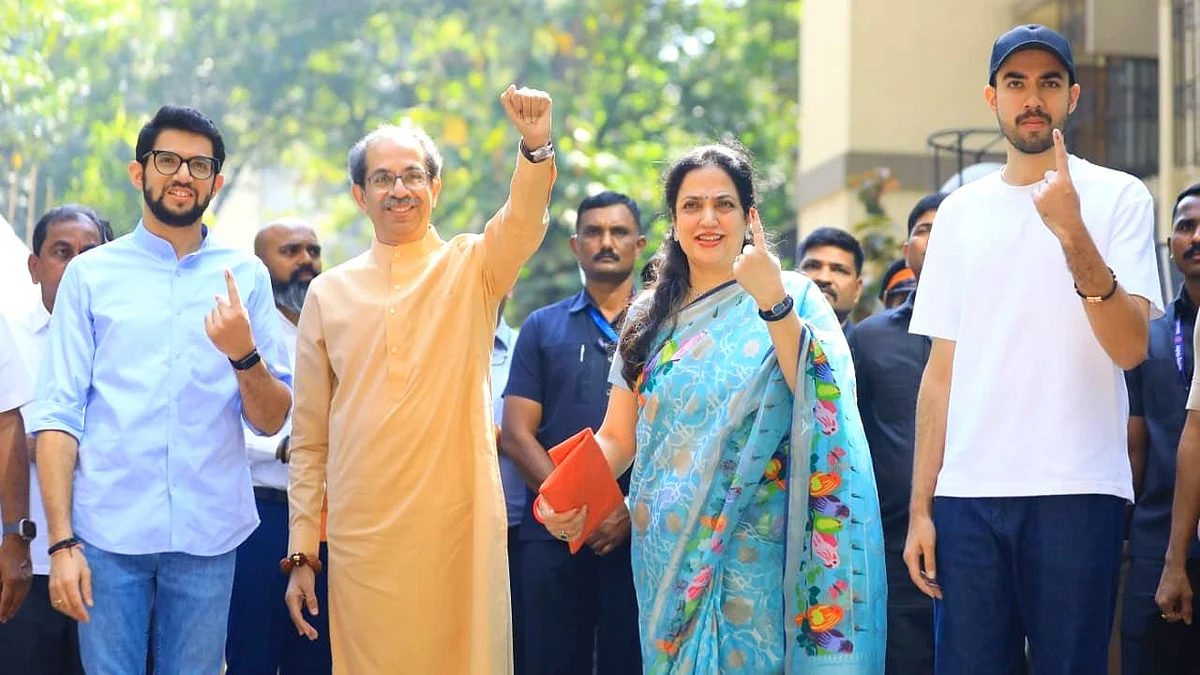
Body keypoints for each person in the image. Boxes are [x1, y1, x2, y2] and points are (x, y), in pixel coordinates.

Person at [537, 142, 886, 673]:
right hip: (665, 554)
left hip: (758, 548)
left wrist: (773, 303)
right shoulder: (646, 318)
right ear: (673, 221)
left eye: (724, 205)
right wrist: (568, 494)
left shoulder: (794, 296)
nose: (708, 219)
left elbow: (823, 396)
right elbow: (618, 437)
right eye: (691, 205)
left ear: (749, 217)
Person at [904, 24, 1162, 675]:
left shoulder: (1120, 197)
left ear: (1073, 95)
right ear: (992, 95)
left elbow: (1130, 349)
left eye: (1048, 82)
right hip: (968, 498)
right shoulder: (959, 212)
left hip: (1080, 490)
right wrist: (920, 509)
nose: (1032, 97)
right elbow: (940, 374)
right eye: (1016, 82)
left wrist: (1074, 233)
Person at [284, 85, 556, 673]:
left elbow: (523, 224)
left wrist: (535, 149)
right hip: (365, 537)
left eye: (412, 175)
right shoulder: (329, 294)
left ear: (435, 188)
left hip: (458, 530)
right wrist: (303, 550)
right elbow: (308, 438)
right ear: (360, 195)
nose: (399, 189)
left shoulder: (473, 266)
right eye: (382, 179)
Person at [29, 105, 294, 675]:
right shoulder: (91, 275)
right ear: (139, 172)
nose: (183, 175)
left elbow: (271, 421)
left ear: (217, 182)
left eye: (200, 165)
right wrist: (60, 543)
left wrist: (243, 353)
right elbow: (58, 415)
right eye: (168, 160)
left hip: (208, 536)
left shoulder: (244, 276)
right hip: (106, 534)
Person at [501, 190, 646, 675]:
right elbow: (517, 435)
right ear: (575, 245)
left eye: (619, 232)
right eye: (594, 232)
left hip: (641, 531)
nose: (607, 242)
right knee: (548, 661)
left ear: (640, 244)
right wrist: (572, 509)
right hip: (550, 534)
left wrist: (624, 510)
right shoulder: (541, 328)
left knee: (632, 661)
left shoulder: (664, 328)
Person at [0, 205, 111, 674]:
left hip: (113, 567)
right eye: (62, 252)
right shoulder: (8, 333)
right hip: (27, 562)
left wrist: (45, 446)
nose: (78, 265)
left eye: (90, 252)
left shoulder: (127, 340)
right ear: (34, 266)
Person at [225, 218, 331, 674]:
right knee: (254, 650)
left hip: (330, 522)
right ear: (260, 265)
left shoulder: (339, 330)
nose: (306, 261)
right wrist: (292, 446)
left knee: (319, 653)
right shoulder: (241, 334)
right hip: (262, 514)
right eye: (291, 251)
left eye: (313, 250)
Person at [847, 192, 944, 674]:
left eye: (948, 225)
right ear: (907, 249)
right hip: (892, 548)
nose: (935, 236)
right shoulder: (870, 338)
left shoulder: (997, 333)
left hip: (980, 537)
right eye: (923, 229)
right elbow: (848, 441)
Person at [1148, 185, 1200, 671]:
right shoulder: (1150, 334)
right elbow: (1134, 438)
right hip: (1159, 535)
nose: (1196, 236)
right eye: (1185, 226)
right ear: (1170, 244)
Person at [491, 289, 525, 674]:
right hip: (448, 529)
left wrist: (498, 436)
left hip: (516, 527)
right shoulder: (433, 348)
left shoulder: (524, 346)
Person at [798, 227, 864, 335]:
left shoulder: (869, 350)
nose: (824, 278)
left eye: (839, 270)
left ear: (857, 289)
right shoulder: (765, 343)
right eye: (813, 266)